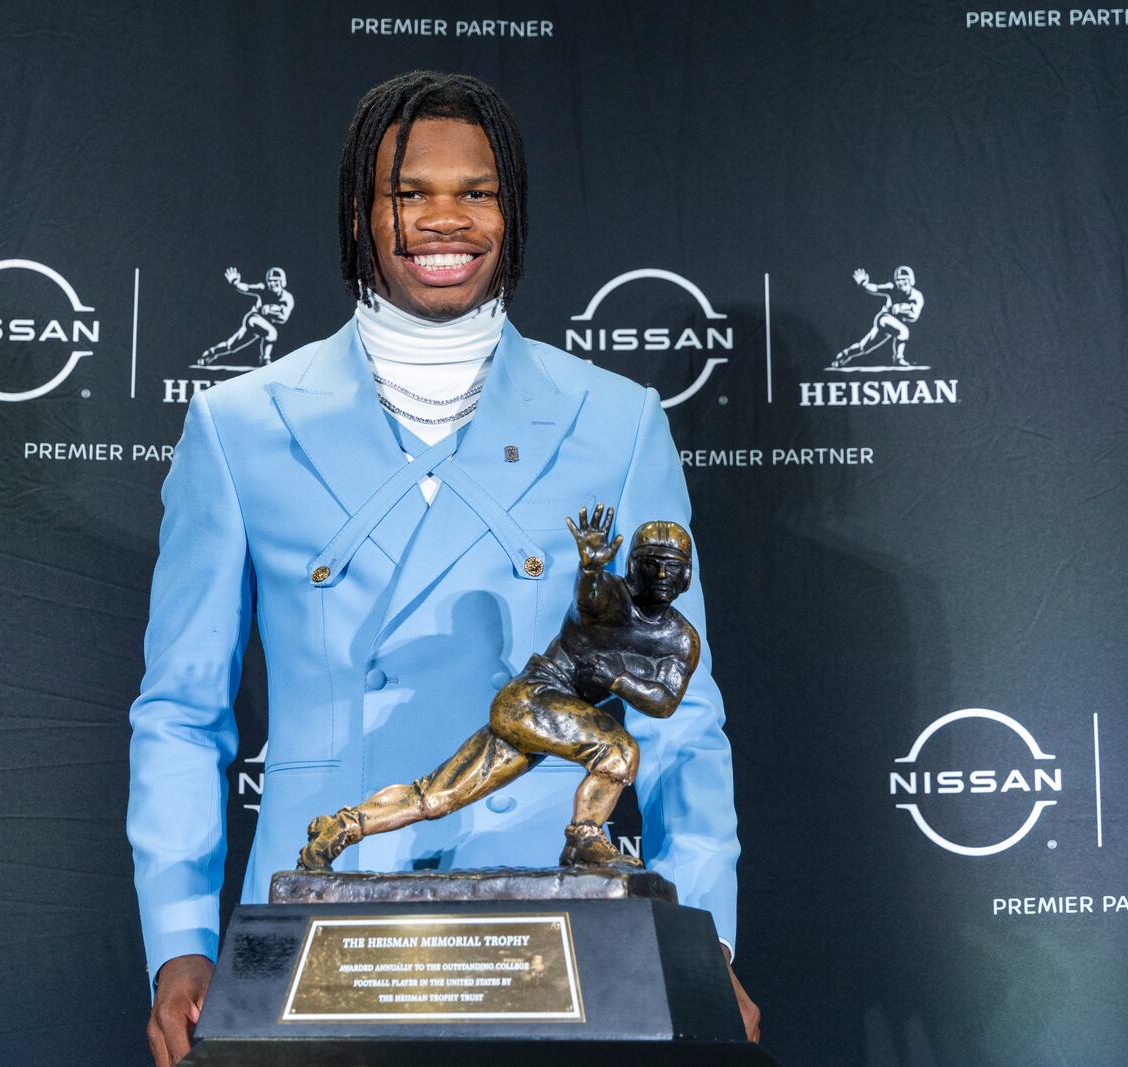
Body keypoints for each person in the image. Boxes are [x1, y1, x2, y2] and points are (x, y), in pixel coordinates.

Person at [129, 71, 758, 1067]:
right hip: (311, 935)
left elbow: (681, 714)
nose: (443, 219)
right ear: (357, 211)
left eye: (476, 190)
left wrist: (706, 935)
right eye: (408, 190)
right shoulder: (239, 425)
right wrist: (179, 939)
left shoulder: (619, 420)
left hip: (557, 946)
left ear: (511, 211)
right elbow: (180, 709)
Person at [297, 506, 700, 872]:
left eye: (672, 566)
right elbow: (589, 599)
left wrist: (618, 678)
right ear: (631, 567)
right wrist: (591, 571)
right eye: (651, 564)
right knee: (618, 751)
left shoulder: (679, 639)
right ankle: (584, 839)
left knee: (438, 796)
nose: (661, 575)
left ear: (687, 575)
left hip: (544, 719)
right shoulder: (611, 596)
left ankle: (339, 828)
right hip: (531, 700)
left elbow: (664, 702)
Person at [195, 266, 295, 367]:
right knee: (272, 333)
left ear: (282, 281)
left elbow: (283, 318)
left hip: (263, 325)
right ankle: (265, 360)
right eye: (270, 281)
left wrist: (271, 310)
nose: (272, 284)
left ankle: (210, 353)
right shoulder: (263, 288)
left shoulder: (287, 298)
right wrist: (235, 283)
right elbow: (247, 288)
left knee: (231, 346)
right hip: (253, 319)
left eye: (276, 281)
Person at [830, 265, 924, 368]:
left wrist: (901, 309)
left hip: (894, 323)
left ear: (911, 280)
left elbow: (914, 316)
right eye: (898, 280)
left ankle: (844, 355)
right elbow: (876, 288)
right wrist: (864, 284)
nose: (901, 283)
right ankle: (898, 359)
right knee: (904, 332)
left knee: (864, 347)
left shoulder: (916, 296)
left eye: (904, 279)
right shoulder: (892, 288)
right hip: (885, 319)